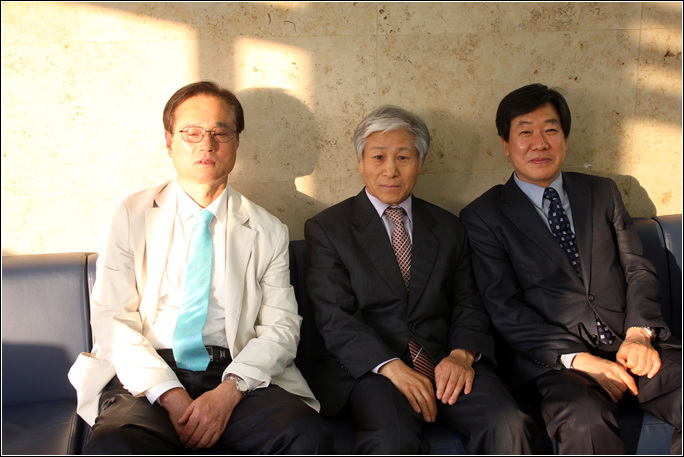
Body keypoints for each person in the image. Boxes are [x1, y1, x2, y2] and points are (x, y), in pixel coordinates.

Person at [68, 81, 331, 454]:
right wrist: (170, 393)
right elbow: (112, 319)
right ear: (169, 141)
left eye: (220, 132)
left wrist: (229, 392)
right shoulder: (131, 215)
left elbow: (281, 328)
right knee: (116, 444)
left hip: (235, 374)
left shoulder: (268, 230)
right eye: (192, 132)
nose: (207, 144)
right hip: (148, 373)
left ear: (236, 142)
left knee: (303, 433)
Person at [460, 83, 682, 454]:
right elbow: (504, 308)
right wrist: (582, 360)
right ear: (505, 144)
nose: (539, 143)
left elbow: (639, 270)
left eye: (550, 130)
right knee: (585, 420)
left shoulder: (602, 192)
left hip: (631, 345)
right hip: (558, 365)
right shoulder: (484, 216)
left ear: (565, 138)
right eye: (525, 133)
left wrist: (640, 332)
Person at [304, 105, 536, 454]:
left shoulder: (449, 226)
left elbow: (469, 302)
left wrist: (461, 355)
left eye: (403, 157)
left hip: (445, 361)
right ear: (360, 162)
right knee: (391, 438)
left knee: (508, 424)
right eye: (378, 157)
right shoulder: (328, 229)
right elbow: (335, 318)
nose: (390, 170)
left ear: (421, 162)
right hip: (373, 371)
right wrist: (392, 368)